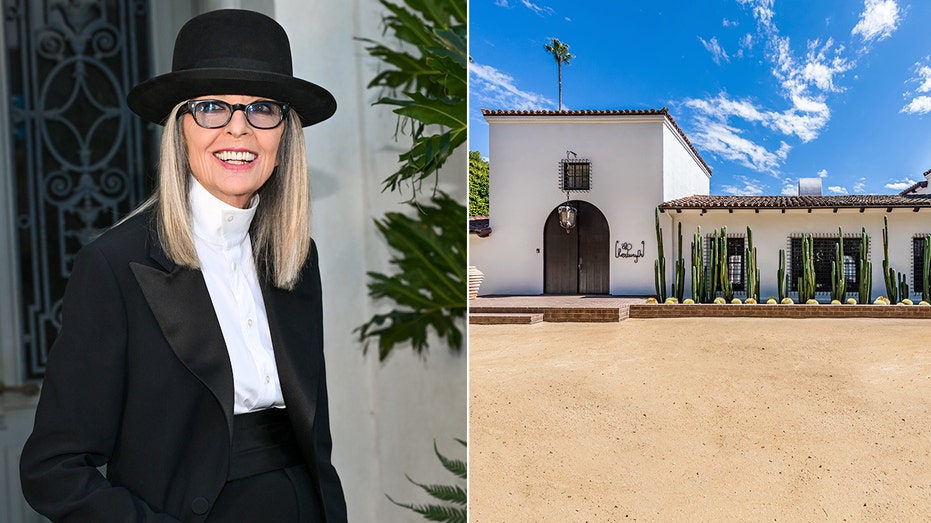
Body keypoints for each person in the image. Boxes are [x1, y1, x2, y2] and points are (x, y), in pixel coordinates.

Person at [19, 9, 347, 522]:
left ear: (284, 139)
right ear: (180, 132)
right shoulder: (114, 265)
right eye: (212, 108)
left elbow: (313, 437)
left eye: (262, 109)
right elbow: (54, 470)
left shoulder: (295, 258)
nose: (239, 130)